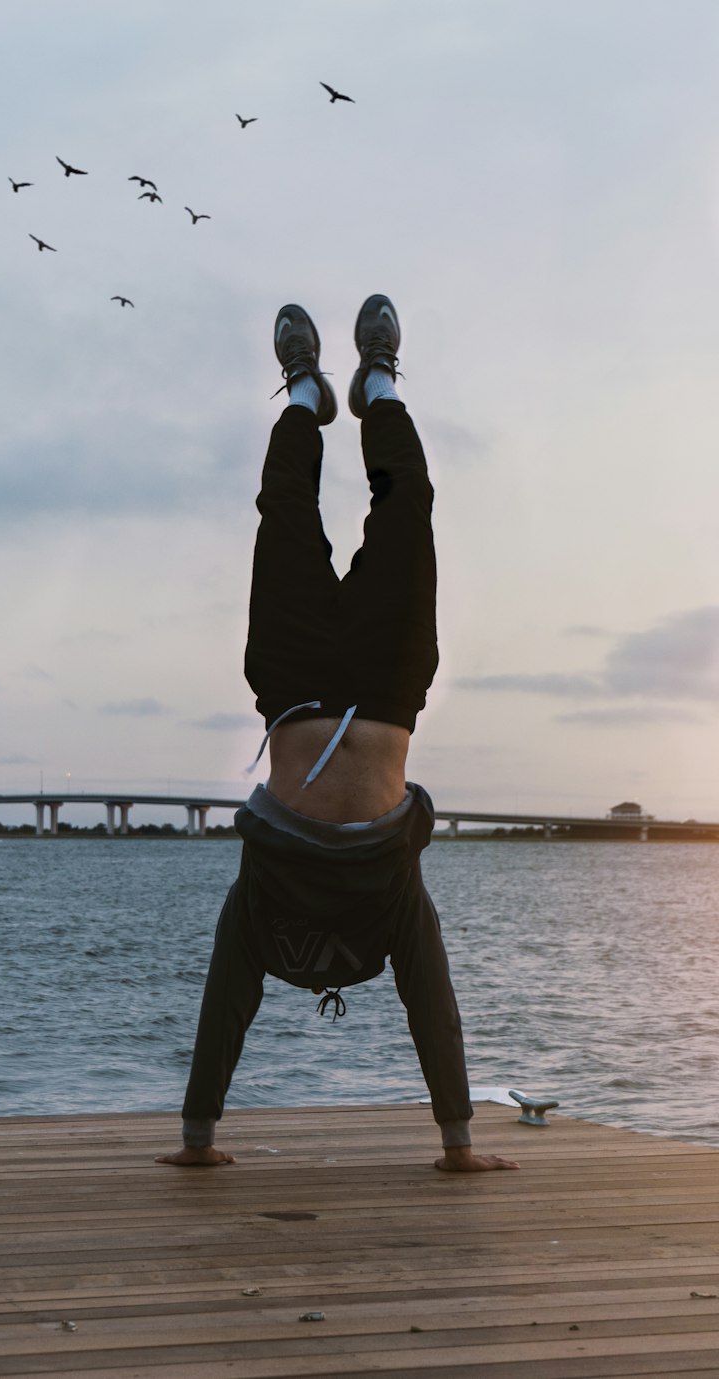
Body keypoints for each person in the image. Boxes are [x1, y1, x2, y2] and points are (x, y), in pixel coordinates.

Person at [156, 295, 519, 1173]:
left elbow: (226, 995)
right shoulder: (393, 904)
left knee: (284, 516)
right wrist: (458, 1144)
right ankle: (380, 385)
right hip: (390, 690)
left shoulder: (264, 910)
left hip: (290, 692)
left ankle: (304, 396)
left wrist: (198, 1137)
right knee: (409, 509)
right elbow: (433, 998)